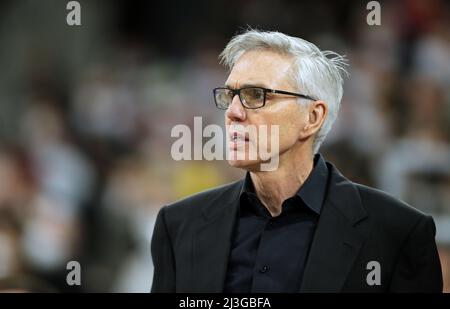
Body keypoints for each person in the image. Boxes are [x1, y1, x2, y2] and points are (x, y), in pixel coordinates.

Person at [150, 29, 443, 292]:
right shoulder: (179, 225)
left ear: (312, 117)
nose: (233, 112)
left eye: (256, 95)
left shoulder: (397, 232)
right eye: (230, 95)